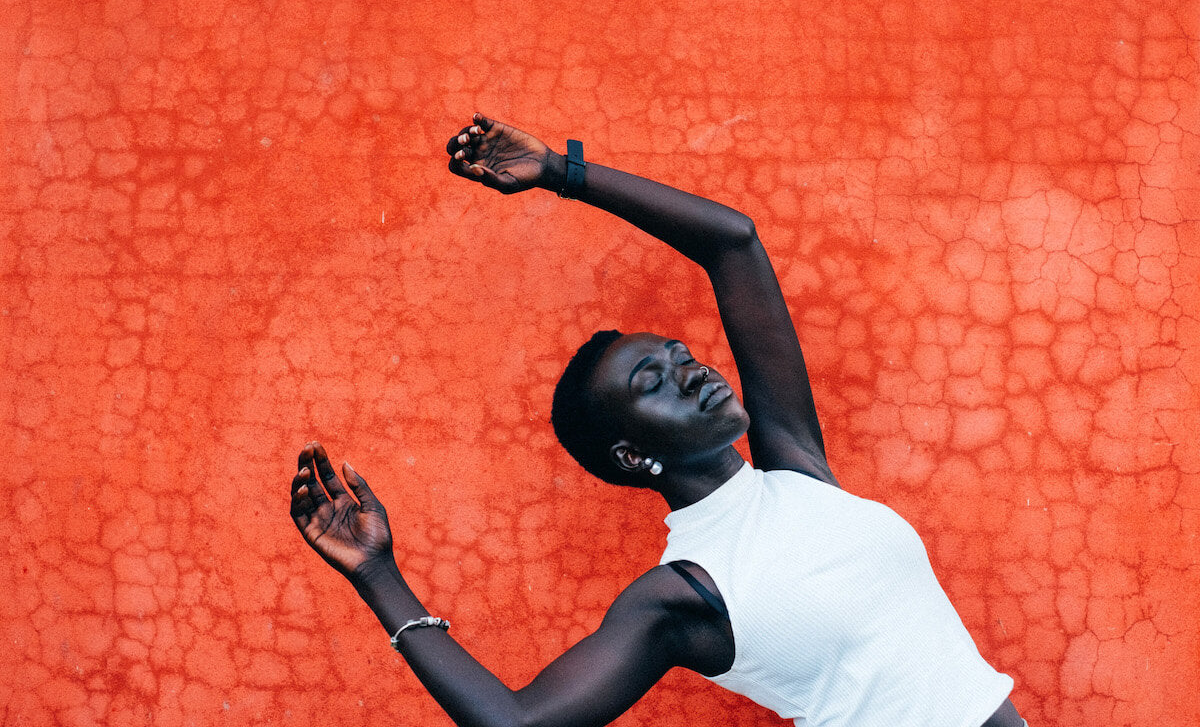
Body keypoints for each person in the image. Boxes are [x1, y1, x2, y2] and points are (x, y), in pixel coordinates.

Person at [288, 113, 1025, 727]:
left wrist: (564, 173)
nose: (691, 370)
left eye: (681, 355)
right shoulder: (682, 595)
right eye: (654, 381)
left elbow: (732, 243)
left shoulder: (795, 469)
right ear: (631, 454)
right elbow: (516, 721)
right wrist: (378, 575)